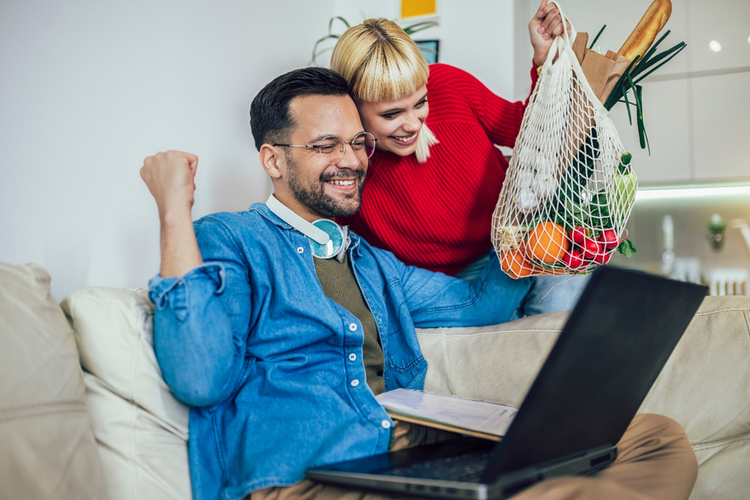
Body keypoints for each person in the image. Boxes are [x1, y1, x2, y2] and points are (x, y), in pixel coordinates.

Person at [140, 67, 697, 500]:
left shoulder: (374, 265)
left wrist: (526, 221)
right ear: (273, 160)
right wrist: (173, 209)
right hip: (304, 478)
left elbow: (478, 305)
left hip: (405, 457)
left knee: (654, 437)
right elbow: (199, 375)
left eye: (358, 143)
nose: (352, 161)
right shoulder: (231, 239)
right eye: (325, 145)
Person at [330, 0, 590, 318]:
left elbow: (528, 130)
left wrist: (542, 58)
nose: (413, 124)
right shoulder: (345, 177)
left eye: (420, 102)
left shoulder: (448, 86)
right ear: (351, 109)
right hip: (453, 282)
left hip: (522, 234)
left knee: (562, 329)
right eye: (391, 113)